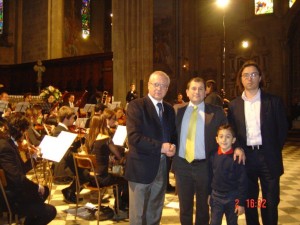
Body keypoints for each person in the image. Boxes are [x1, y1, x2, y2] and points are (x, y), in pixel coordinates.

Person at [172, 77, 245, 225]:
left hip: (204, 166)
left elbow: (229, 132)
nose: (197, 91)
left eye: (200, 88)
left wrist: (238, 147)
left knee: (203, 208)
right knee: (184, 207)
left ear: (206, 91)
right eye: (193, 88)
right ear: (187, 92)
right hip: (182, 165)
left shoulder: (216, 112)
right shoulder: (177, 110)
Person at [227, 60, 288, 225]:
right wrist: (238, 147)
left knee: (270, 201)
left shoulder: (273, 101)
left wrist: (273, 149)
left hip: (268, 157)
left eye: (254, 74)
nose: (250, 78)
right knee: (249, 200)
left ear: (260, 77)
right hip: (246, 157)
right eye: (246, 75)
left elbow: (282, 129)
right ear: (241, 79)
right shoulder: (234, 105)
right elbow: (233, 133)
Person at [125, 71, 177, 225]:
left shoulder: (168, 109)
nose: (159, 88)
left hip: (161, 167)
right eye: (156, 84)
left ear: (167, 89)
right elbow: (134, 138)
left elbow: (172, 134)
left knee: (155, 212)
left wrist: (173, 146)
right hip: (140, 167)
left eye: (163, 86)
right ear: (148, 85)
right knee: (138, 215)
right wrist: (161, 147)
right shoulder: (136, 106)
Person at [0, 114, 56, 225]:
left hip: (13, 190)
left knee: (45, 191)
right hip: (10, 197)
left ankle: (30, 217)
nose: (26, 134)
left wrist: (33, 158)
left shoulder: (10, 143)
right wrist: (36, 187)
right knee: (50, 211)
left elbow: (21, 169)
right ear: (19, 130)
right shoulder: (6, 147)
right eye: (25, 130)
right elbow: (17, 179)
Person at [85, 109, 129, 213]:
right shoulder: (106, 139)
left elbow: (99, 157)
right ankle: (120, 205)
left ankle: (120, 204)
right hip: (101, 179)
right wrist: (126, 156)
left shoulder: (90, 139)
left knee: (115, 176)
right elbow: (119, 157)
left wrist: (109, 159)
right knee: (124, 179)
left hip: (90, 177)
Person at [209, 124, 247, 225]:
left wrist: (241, 203)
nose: (224, 140)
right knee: (214, 222)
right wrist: (209, 194)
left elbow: (242, 182)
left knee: (232, 223)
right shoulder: (213, 156)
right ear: (216, 139)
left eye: (228, 137)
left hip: (232, 197)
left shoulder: (238, 158)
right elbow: (210, 177)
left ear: (233, 140)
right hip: (216, 197)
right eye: (221, 136)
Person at [52, 106, 89, 200]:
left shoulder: (62, 129)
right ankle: (70, 191)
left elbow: (70, 147)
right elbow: (67, 152)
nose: (74, 120)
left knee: (85, 172)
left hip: (68, 160)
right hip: (64, 164)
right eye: (73, 118)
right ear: (66, 118)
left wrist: (83, 139)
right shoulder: (60, 131)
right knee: (86, 174)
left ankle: (70, 192)